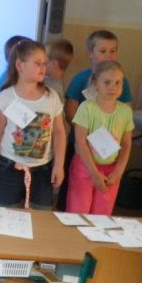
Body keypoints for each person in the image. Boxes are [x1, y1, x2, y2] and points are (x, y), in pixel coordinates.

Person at [0, 40, 67, 210]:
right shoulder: (6, 96)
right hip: (9, 166)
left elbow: (59, 132)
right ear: (20, 65)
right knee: (7, 213)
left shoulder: (51, 97)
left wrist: (59, 165)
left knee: (41, 216)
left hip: (42, 170)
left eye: (45, 63)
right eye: (38, 63)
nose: (43, 67)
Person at [58, 30, 131, 211]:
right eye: (103, 51)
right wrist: (88, 132)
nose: (108, 55)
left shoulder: (124, 107)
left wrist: (119, 170)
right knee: (77, 205)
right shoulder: (81, 81)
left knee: (102, 211)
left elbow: (126, 138)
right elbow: (71, 110)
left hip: (110, 162)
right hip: (83, 154)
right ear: (90, 53)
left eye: (113, 51)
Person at [67, 61, 133, 215]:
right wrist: (94, 173)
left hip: (111, 172)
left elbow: (126, 144)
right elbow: (80, 141)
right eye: (107, 82)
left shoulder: (125, 111)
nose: (113, 87)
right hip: (85, 168)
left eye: (118, 83)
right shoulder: (87, 108)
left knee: (102, 215)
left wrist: (119, 171)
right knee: (78, 213)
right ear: (95, 83)